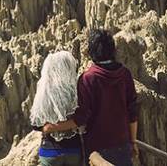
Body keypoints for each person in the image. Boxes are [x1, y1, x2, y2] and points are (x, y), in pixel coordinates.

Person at [43, 29, 138, 166]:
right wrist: (133, 141)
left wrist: (51, 127)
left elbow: (80, 119)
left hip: (97, 149)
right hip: (122, 144)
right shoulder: (125, 74)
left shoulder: (88, 78)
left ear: (92, 51)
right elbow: (132, 112)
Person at [30, 51, 83, 166]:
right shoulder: (76, 90)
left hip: (49, 151)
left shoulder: (45, 91)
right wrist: (71, 124)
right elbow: (82, 117)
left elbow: (35, 124)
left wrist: (49, 127)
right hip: (73, 150)